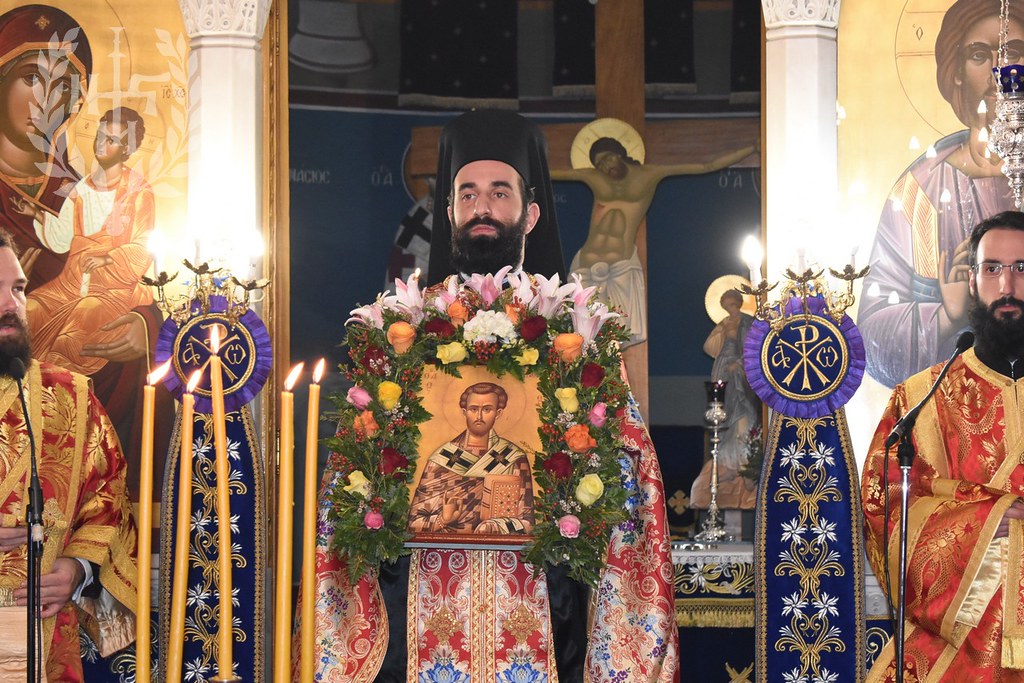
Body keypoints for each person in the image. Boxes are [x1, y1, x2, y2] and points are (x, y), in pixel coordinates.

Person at [308, 109, 679, 683]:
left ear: (530, 214)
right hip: (418, 617)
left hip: (546, 614)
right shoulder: (400, 331)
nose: (483, 207)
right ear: (449, 212)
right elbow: (348, 489)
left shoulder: (576, 335)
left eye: (500, 193)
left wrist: (583, 496)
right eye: (468, 194)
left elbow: (632, 476)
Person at [0, 5, 169, 498]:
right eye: (32, 77)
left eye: (63, 86)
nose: (46, 99)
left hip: (77, 451)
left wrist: (144, 328)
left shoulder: (88, 195)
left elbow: (137, 279)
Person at [862, 210, 1024, 680]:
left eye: (1022, 268)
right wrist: (984, 520)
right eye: (992, 268)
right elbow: (885, 507)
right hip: (957, 645)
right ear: (971, 281)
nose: (1007, 285)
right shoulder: (921, 398)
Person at [859, 0, 1022, 388]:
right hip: (953, 402)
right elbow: (871, 334)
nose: (998, 71)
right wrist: (946, 315)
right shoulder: (920, 191)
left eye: (1013, 53)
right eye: (979, 55)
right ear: (957, 72)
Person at [0, 227, 137, 682]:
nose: (11, 304)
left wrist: (77, 568)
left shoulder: (70, 397)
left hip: (43, 637)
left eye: (18, 289)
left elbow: (110, 497)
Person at [551, 122, 756, 346]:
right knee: (582, 338)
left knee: (618, 337)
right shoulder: (594, 177)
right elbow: (551, 172)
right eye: (599, 164)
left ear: (620, 153)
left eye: (608, 158)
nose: (605, 166)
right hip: (586, 264)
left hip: (620, 267)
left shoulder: (650, 174)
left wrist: (753, 148)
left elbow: (706, 165)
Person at [18, 107, 155, 376]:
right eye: (99, 136)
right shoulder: (82, 187)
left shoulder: (139, 192)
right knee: (30, 309)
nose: (101, 144)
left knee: (78, 325)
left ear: (127, 148)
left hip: (113, 289)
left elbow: (143, 247)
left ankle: (58, 393)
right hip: (71, 283)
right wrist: (37, 215)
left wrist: (108, 258)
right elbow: (62, 238)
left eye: (111, 140)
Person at [408, 382, 533, 534]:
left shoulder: (513, 458)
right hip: (447, 545)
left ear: (498, 413)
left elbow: (527, 524)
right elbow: (413, 524)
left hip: (497, 546)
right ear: (464, 411)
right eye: (473, 409)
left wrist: (494, 527)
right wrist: (443, 520)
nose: (479, 416)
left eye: (487, 409)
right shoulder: (442, 459)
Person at [691, 288, 759, 510]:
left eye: (731, 304)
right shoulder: (724, 322)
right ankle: (728, 463)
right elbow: (710, 346)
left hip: (741, 369)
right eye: (726, 306)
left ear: (738, 302)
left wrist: (738, 364)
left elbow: (753, 348)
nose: (730, 309)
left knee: (743, 410)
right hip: (724, 364)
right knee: (725, 409)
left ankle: (744, 461)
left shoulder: (747, 321)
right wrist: (721, 331)